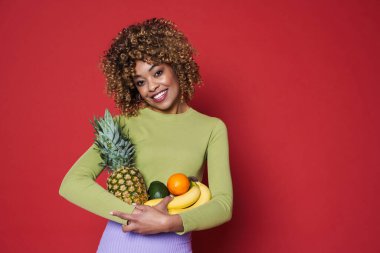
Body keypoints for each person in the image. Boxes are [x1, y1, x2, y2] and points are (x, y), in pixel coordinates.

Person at [59, 17, 233, 253]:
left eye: (158, 72)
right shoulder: (124, 124)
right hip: (118, 243)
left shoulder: (211, 128)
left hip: (173, 244)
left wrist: (169, 222)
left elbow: (223, 205)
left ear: (175, 65)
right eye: (141, 82)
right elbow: (71, 183)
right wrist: (136, 216)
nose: (152, 87)